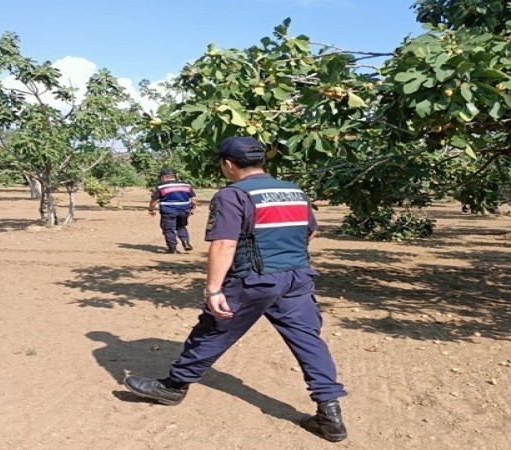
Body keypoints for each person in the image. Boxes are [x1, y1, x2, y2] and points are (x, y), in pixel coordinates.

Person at [125, 137, 348, 442]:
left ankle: (172, 387)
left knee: (213, 330)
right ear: (262, 161)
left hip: (253, 280)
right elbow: (309, 230)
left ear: (228, 165)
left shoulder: (232, 195)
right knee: (309, 341)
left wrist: (214, 290)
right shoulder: (294, 191)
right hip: (297, 277)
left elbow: (225, 243)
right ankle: (330, 414)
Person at [149, 168, 197, 253]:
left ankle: (172, 248)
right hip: (184, 210)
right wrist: (193, 208)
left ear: (164, 177)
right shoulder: (186, 185)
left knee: (168, 229)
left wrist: (152, 209)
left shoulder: (161, 187)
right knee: (181, 227)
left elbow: (154, 201)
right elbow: (193, 199)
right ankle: (186, 243)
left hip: (168, 211)